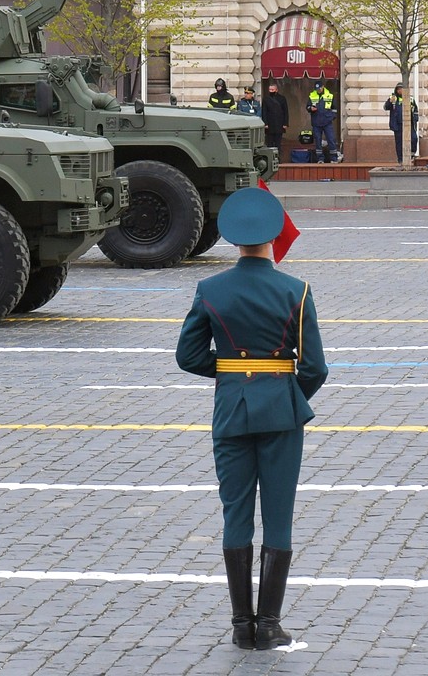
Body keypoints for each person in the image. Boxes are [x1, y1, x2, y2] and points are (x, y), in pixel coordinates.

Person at [177, 186, 328, 651]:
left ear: (233, 239)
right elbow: (315, 368)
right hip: (281, 413)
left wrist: (231, 377)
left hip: (230, 412)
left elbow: (188, 356)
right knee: (278, 516)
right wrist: (282, 393)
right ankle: (270, 625)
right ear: (272, 236)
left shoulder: (211, 289)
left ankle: (242, 625)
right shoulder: (296, 290)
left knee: (235, 514)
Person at [382, 85, 420, 165]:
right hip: (397, 125)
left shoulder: (410, 99)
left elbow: (415, 110)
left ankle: (412, 153)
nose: (400, 91)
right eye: (398, 89)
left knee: (414, 138)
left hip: (409, 124)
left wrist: (415, 119)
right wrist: (390, 101)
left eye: (402, 89)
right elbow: (386, 107)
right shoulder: (393, 99)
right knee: (399, 143)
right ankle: (400, 159)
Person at [305, 80, 338, 162]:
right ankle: (320, 159)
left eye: (319, 88)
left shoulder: (329, 95)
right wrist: (311, 108)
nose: (318, 90)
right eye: (317, 89)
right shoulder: (312, 95)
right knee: (318, 141)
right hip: (316, 122)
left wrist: (331, 117)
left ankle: (334, 158)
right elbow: (308, 106)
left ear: (323, 87)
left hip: (327, 122)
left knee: (331, 139)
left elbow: (334, 109)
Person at [261, 82, 289, 159]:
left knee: (278, 143)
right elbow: (264, 112)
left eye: (272, 89)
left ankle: (278, 158)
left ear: (276, 90)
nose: (271, 91)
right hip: (269, 125)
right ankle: (270, 158)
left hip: (279, 124)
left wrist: (285, 123)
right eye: (270, 89)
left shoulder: (282, 98)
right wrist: (265, 123)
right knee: (269, 143)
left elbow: (285, 111)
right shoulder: (266, 99)